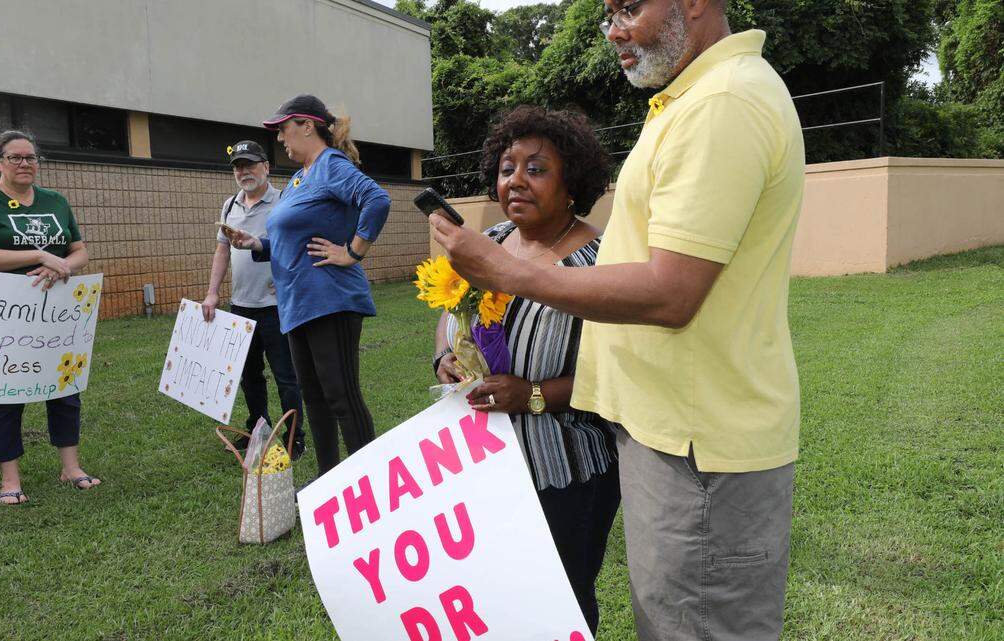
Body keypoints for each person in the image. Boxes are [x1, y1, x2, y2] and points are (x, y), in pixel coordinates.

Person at [430, 1, 805, 639]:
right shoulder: (694, 101)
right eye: (607, 12)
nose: (614, 30)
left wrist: (510, 276)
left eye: (629, 6)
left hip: (696, 451)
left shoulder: (722, 105)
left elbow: (671, 292)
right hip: (673, 440)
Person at [432, 106, 620, 634]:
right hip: (482, 464)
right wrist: (447, 358)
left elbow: (616, 374)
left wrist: (531, 394)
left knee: (560, 604)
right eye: (507, 167)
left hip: (565, 469)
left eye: (536, 169)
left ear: (572, 185)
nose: (515, 179)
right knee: (500, 600)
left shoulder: (602, 262)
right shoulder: (485, 244)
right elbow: (451, 316)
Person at [222, 95, 390, 477]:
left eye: (283, 129)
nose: (280, 138)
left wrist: (353, 251)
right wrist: (257, 245)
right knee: (314, 400)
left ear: (307, 125)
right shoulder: (300, 177)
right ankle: (328, 485)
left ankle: (373, 487)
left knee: (341, 396)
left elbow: (376, 199)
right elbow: (290, 237)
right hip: (297, 306)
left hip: (330, 300)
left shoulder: (330, 165)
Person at [0, 130, 99, 504]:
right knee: (6, 393)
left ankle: (71, 466)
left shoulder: (55, 201)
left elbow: (79, 251)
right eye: (16, 157)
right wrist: (40, 256)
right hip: (4, 315)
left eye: (31, 157)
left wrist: (62, 267)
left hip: (56, 311)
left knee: (65, 388)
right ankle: (9, 479)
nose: (25, 164)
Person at [202, 140, 305, 459]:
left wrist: (287, 280)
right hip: (241, 307)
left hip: (277, 308)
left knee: (286, 377)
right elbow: (222, 250)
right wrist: (213, 291)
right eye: (237, 166)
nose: (243, 171)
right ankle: (258, 429)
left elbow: (296, 247)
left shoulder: (284, 202)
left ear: (266, 167)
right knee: (249, 376)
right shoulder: (230, 204)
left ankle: (293, 436)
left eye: (250, 164)